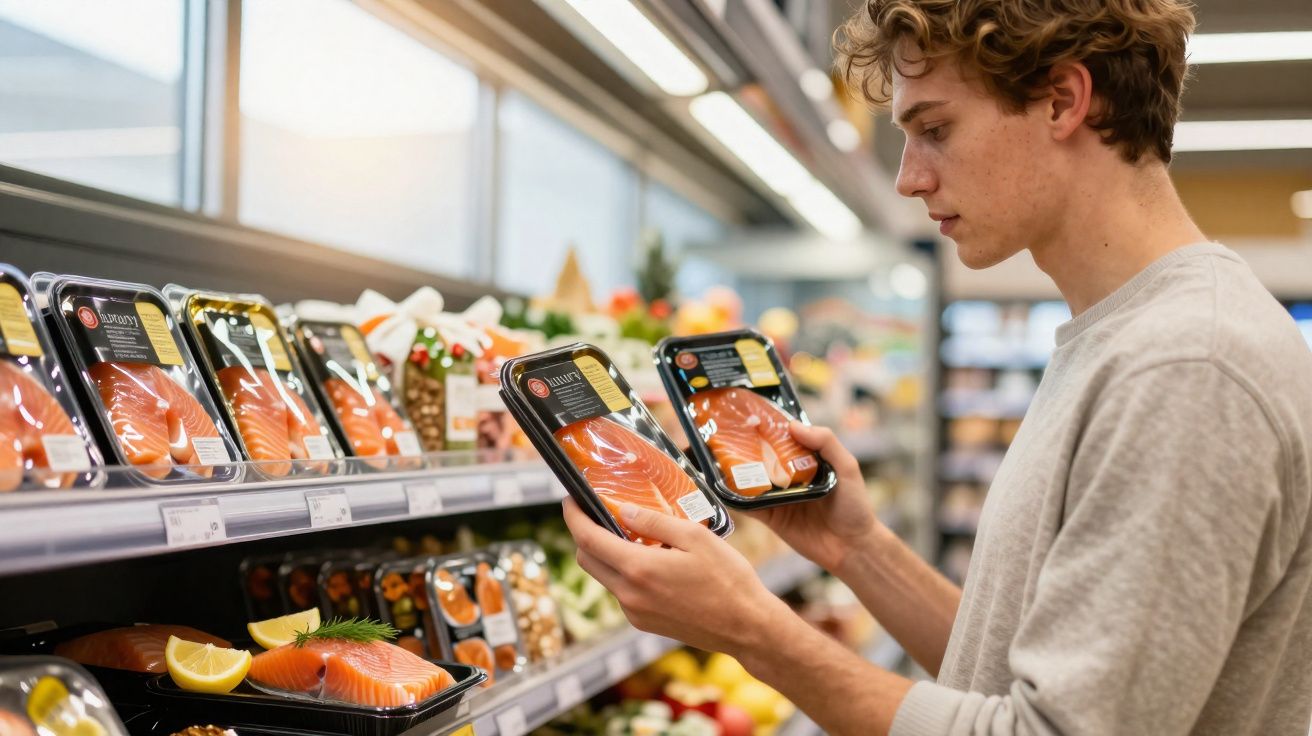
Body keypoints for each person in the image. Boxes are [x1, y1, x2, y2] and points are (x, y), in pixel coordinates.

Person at [562, 0, 1312, 733]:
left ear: (1062, 100)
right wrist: (856, 550)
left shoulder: (1184, 369)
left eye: (936, 129)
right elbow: (1016, 673)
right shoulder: (1126, 339)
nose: (909, 178)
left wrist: (757, 632)